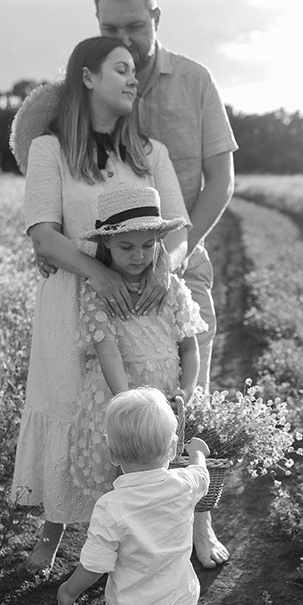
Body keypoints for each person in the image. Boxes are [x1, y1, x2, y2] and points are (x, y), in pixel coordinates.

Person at [8, 36, 190, 573]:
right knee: (71, 405)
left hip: (144, 304)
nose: (134, 79)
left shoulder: (150, 152)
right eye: (121, 69)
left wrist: (160, 267)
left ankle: (131, 538)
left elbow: (179, 230)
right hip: (73, 297)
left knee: (137, 410)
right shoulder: (50, 149)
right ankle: (53, 531)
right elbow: (44, 236)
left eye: (135, 70)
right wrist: (98, 271)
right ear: (87, 77)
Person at [94, 0, 237, 570]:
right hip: (110, 270)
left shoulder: (195, 79)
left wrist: (171, 261)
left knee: (189, 397)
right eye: (111, 27)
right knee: (123, 403)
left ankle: (199, 524)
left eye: (135, 25)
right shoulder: (90, 80)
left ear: (156, 18)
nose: (123, 38)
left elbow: (220, 181)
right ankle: (131, 526)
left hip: (183, 261)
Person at [56, 387, 210, 605]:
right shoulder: (185, 484)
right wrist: (197, 453)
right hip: (176, 603)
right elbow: (201, 474)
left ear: (112, 453)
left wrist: (69, 590)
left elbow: (94, 566)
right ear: (171, 449)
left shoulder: (112, 507)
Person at [71, 183, 207, 501]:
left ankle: (160, 546)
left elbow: (189, 347)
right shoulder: (97, 291)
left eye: (148, 245)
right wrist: (129, 405)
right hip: (119, 397)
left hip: (165, 397)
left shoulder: (172, 289)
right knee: (120, 486)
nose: (139, 255)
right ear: (107, 243)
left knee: (162, 484)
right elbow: (108, 351)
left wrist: (184, 393)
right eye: (126, 247)